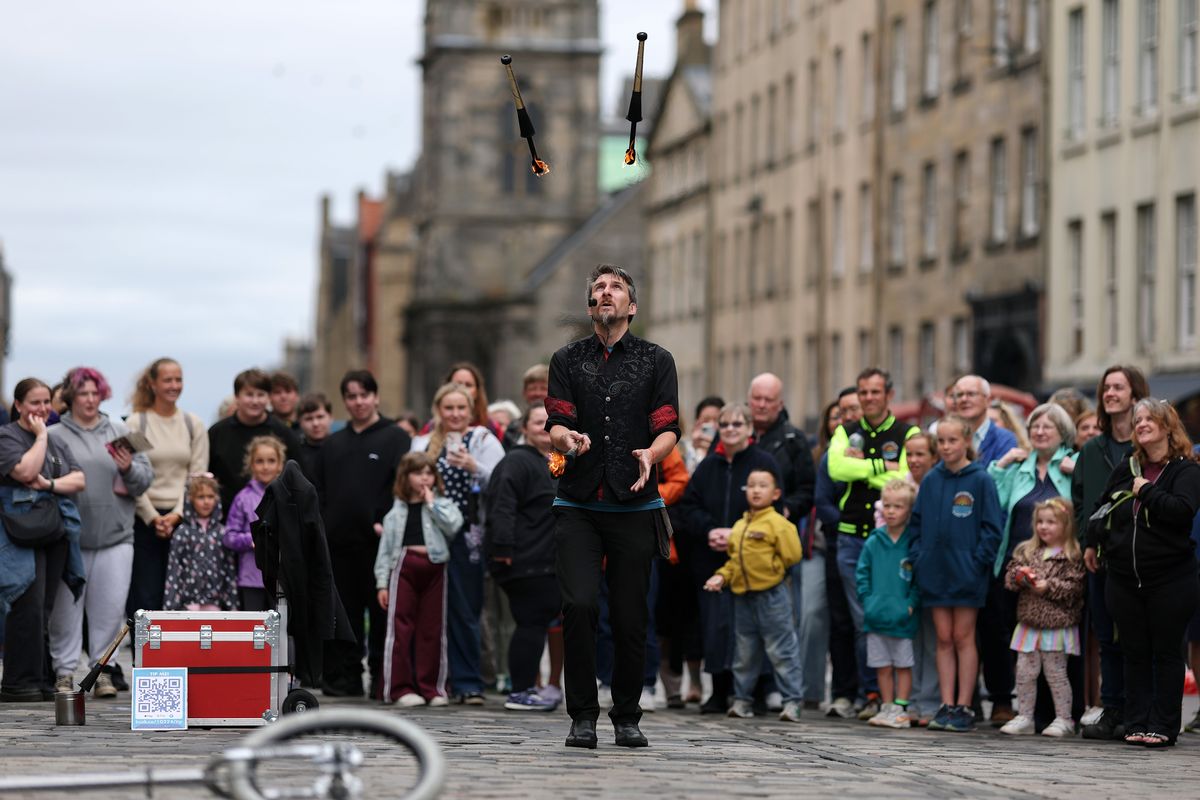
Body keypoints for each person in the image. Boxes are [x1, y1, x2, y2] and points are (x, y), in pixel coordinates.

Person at [545, 264, 680, 750]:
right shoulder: (566, 358)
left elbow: (667, 426)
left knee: (629, 616)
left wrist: (653, 452)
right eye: (598, 288)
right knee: (579, 605)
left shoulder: (657, 359)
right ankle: (582, 715)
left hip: (633, 503)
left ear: (632, 306)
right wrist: (570, 439)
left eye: (616, 287)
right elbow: (556, 422)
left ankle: (627, 714)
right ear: (590, 306)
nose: (606, 293)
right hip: (578, 502)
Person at [1084, 399, 1200, 748]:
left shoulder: (1186, 470)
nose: (1142, 423)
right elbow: (1101, 506)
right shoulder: (1127, 466)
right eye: (1138, 420)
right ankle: (1135, 721)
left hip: (1170, 577)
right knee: (1134, 650)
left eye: (1150, 419)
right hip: (1123, 577)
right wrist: (1093, 543)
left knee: (1166, 652)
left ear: (1168, 426)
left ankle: (1163, 725)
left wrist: (1146, 491)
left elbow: (1182, 511)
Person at [47, 368, 153, 698]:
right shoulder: (53, 435)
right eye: (83, 394)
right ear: (70, 397)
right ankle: (64, 672)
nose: (90, 400)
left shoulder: (121, 430)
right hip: (69, 538)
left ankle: (102, 670)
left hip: (116, 536)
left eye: (95, 393)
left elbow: (144, 480)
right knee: (64, 612)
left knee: (109, 609)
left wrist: (127, 466)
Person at [313, 370, 412, 698]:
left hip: (381, 544)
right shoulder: (333, 443)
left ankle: (382, 679)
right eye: (351, 397)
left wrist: (386, 520)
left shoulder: (396, 437)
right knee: (347, 616)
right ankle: (347, 678)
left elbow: (402, 486)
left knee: (382, 613)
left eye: (364, 395)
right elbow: (322, 492)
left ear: (376, 397)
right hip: (340, 544)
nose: (358, 402)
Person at [827, 368, 920, 720]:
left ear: (888, 395)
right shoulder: (845, 430)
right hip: (851, 536)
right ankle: (871, 693)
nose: (867, 398)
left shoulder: (906, 432)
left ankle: (897, 698)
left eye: (874, 392)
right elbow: (837, 469)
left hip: (890, 538)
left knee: (891, 616)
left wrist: (863, 466)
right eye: (863, 392)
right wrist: (881, 464)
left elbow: (905, 475)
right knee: (862, 616)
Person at [680, 403, 780, 715]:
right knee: (716, 626)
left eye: (738, 424)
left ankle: (756, 691)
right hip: (712, 560)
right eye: (725, 425)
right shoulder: (709, 465)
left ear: (750, 428)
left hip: (752, 561)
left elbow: (775, 507)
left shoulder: (763, 463)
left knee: (753, 626)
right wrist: (709, 531)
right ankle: (718, 689)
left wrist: (737, 535)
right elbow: (688, 507)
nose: (731, 429)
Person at [981, 403, 1076, 726]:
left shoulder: (1072, 464)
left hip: (1059, 568)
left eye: (1047, 427)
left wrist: (1077, 472)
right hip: (1017, 565)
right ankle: (1025, 712)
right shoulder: (1019, 467)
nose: (1038, 432)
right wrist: (1001, 464)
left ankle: (1060, 714)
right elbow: (992, 498)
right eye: (1034, 426)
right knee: (1018, 642)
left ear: (1062, 432)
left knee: (1057, 646)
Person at [411, 381, 504, 704]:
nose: (454, 414)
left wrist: (473, 467)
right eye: (448, 408)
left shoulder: (482, 439)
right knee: (428, 607)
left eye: (460, 408)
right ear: (438, 410)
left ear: (470, 410)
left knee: (466, 608)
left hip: (468, 533)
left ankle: (468, 681)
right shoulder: (422, 443)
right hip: (429, 532)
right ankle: (432, 680)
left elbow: (503, 479)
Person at [909, 414, 1002, 733]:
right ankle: (945, 704)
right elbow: (916, 525)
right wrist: (919, 559)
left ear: (966, 442)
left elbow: (992, 528)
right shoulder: (932, 480)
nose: (947, 447)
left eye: (953, 440)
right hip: (935, 572)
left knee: (963, 637)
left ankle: (964, 705)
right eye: (942, 441)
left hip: (966, 573)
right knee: (943, 639)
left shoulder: (980, 479)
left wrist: (977, 563)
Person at [1072, 365, 1149, 741]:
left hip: (1141, 556)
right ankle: (1112, 706)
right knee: (1106, 635)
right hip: (1100, 554)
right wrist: (1087, 541)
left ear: (1135, 394)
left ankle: (1140, 710)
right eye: (1106, 387)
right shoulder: (1092, 448)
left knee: (1138, 635)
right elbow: (1081, 500)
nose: (1110, 393)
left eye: (1119, 387)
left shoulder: (1148, 443)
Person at [0, 378, 86, 702]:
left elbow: (79, 479)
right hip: (18, 532)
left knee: (45, 607)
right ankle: (20, 682)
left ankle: (42, 677)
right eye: (35, 403)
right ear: (19, 405)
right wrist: (40, 437)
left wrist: (48, 484)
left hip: (54, 531)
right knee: (26, 602)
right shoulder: (8, 436)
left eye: (47, 402)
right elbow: (24, 471)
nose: (42, 409)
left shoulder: (55, 440)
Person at [703, 468, 804, 723]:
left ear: (776, 493)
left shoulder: (779, 524)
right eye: (751, 485)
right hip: (742, 597)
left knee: (782, 650)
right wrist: (722, 576)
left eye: (763, 485)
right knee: (744, 652)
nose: (756, 490)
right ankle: (742, 700)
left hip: (772, 596)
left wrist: (773, 569)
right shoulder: (739, 525)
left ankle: (792, 701)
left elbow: (793, 555)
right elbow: (734, 561)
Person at [484, 402, 562, 711]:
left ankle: (527, 687)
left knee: (537, 621)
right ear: (524, 428)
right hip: (523, 559)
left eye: (549, 422)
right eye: (537, 422)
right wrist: (503, 549)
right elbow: (501, 507)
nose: (544, 428)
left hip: (546, 559)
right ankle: (520, 690)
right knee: (531, 622)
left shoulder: (553, 461)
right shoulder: (516, 462)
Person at [375, 452, 463, 707]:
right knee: (400, 629)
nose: (424, 478)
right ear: (405, 477)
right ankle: (399, 688)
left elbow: (453, 526)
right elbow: (385, 549)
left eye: (428, 473)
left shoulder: (442, 504)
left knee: (433, 629)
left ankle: (432, 687)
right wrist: (382, 583)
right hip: (403, 566)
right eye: (418, 473)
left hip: (435, 567)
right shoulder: (395, 512)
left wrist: (432, 503)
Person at [127, 357, 209, 619]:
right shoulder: (136, 423)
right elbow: (132, 475)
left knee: (182, 595)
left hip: (183, 519)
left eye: (178, 379)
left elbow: (197, 476)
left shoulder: (193, 424)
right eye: (168, 380)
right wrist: (153, 517)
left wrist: (176, 514)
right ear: (152, 384)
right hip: (143, 518)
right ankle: (145, 657)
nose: (174, 385)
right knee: (146, 595)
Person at [999, 497, 1086, 738]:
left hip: (1057, 625)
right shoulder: (1028, 551)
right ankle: (1025, 715)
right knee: (1025, 672)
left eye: (1051, 522)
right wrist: (1021, 577)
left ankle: (1064, 718)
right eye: (1040, 522)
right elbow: (1011, 576)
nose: (1044, 527)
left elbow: (1074, 588)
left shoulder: (1072, 555)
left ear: (1066, 525)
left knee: (1056, 674)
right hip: (1029, 624)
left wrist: (1048, 586)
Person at [857, 479, 920, 729]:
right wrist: (867, 600)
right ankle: (886, 705)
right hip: (876, 616)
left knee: (903, 664)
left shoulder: (912, 542)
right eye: (888, 506)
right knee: (881, 665)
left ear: (909, 509)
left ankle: (901, 707)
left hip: (902, 617)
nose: (892, 511)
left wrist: (911, 603)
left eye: (898, 506)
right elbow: (862, 573)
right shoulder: (874, 540)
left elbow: (918, 577)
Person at [818, 386, 864, 717]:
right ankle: (844, 691)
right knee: (842, 619)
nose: (848, 417)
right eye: (843, 411)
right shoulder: (832, 454)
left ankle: (870, 689)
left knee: (869, 620)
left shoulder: (878, 447)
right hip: (839, 542)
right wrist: (845, 522)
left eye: (854, 409)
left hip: (874, 541)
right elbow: (822, 501)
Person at [207, 369, 302, 518]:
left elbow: (297, 479)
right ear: (237, 397)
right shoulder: (217, 433)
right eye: (249, 395)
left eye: (261, 395)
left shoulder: (284, 433)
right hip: (226, 520)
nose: (255, 401)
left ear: (268, 398)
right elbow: (207, 478)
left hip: (274, 519)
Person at [223, 436, 285, 612]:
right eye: (259, 461)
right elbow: (229, 536)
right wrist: (252, 539)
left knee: (282, 629)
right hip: (251, 578)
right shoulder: (243, 498)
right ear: (251, 465)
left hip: (281, 578)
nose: (265, 466)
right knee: (254, 630)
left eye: (271, 461)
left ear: (280, 465)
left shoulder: (287, 497)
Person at [162, 474, 237, 611]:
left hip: (214, 602)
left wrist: (232, 605)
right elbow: (173, 570)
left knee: (213, 632)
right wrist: (170, 607)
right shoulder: (182, 533)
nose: (206, 502)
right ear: (190, 500)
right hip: (188, 603)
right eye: (201, 497)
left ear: (217, 499)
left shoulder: (222, 532)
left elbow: (229, 568)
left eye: (210, 496)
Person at [953, 375, 1019, 468]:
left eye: (971, 394)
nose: (964, 399)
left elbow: (1002, 480)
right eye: (959, 395)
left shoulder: (1004, 439)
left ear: (988, 400)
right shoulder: (946, 439)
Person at [680, 396, 723, 475]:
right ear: (697, 422)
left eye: (717, 420)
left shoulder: (729, 449)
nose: (712, 424)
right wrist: (693, 448)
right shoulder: (684, 448)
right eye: (706, 420)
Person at [296, 393, 333, 477]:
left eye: (320, 417)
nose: (315, 424)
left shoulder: (342, 448)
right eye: (309, 419)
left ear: (330, 417)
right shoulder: (295, 453)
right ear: (300, 422)